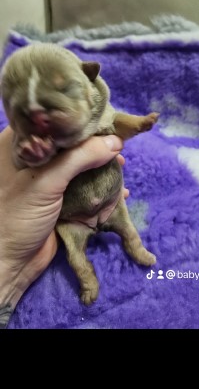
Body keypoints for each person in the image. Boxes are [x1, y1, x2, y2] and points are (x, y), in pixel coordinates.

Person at [0, 126, 125, 329]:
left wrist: (7, 266)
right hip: (68, 216)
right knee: (76, 254)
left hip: (89, 204)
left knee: (126, 228)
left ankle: (134, 246)